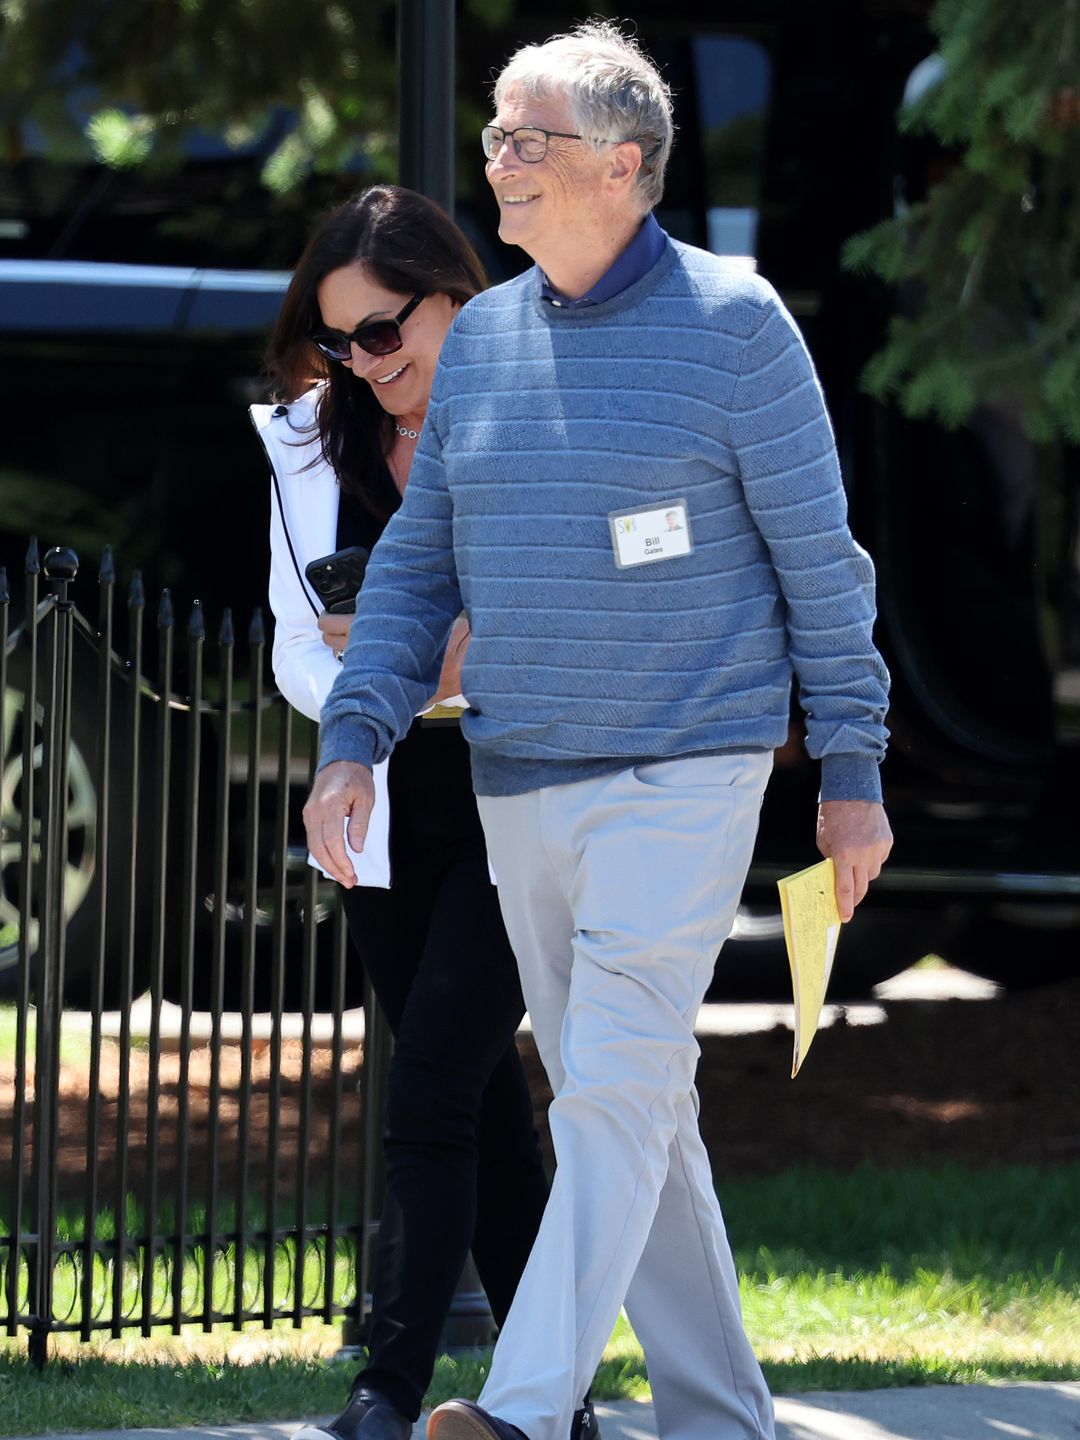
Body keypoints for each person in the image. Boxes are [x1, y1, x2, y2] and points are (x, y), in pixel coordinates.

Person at [304, 20, 893, 1440]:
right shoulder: (490, 339)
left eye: (527, 138)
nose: (495, 162)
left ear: (622, 165)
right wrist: (352, 738)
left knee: (613, 1088)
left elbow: (825, 564)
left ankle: (518, 1408)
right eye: (496, 134)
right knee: (635, 1104)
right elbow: (417, 569)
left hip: (690, 770)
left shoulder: (739, 328)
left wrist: (853, 775)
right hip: (522, 782)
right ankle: (720, 1419)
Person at [254, 185, 600, 1440]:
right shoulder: (307, 441)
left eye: (390, 329)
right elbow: (294, 643)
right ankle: (556, 1412)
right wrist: (370, 679)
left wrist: (465, 656)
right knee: (486, 1118)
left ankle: (383, 1392)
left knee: (432, 1090)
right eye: (345, 339)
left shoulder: (549, 410)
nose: (368, 361)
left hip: (519, 793)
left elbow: (599, 614)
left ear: (459, 292)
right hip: (385, 796)